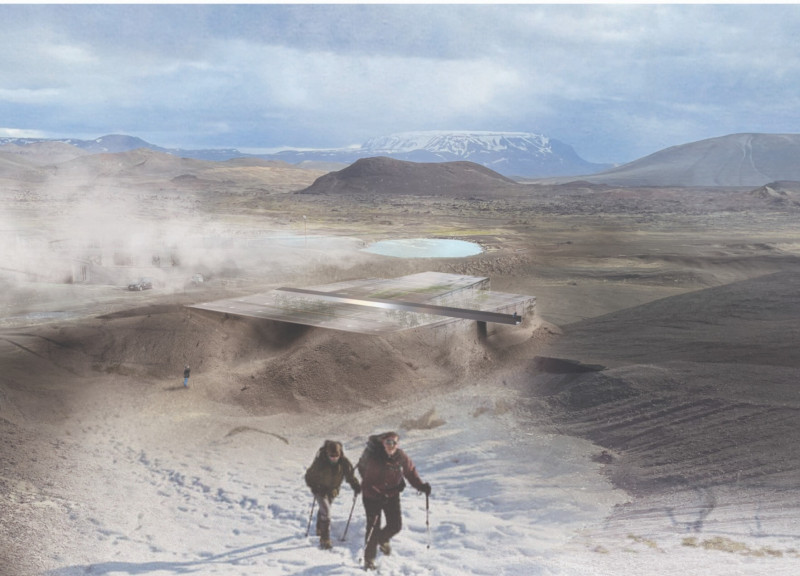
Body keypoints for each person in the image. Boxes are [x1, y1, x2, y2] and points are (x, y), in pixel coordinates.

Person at [357, 431, 431, 570]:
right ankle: (369, 560)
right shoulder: (375, 458)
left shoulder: (400, 456)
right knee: (373, 527)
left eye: (394, 442)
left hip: (391, 495)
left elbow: (410, 472)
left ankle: (382, 539)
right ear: (383, 443)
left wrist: (421, 486)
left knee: (395, 525)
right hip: (372, 496)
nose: (391, 445)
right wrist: (378, 493)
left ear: (398, 444)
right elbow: (367, 482)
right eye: (388, 442)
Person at [304, 440, 361, 549]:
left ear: (340, 454)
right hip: (320, 490)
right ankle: (325, 539)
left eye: (336, 456)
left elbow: (350, 476)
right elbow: (309, 476)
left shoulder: (344, 462)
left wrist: (356, 486)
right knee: (326, 511)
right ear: (327, 453)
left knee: (325, 509)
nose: (334, 458)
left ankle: (319, 527)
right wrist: (314, 487)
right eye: (331, 456)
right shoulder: (320, 461)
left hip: (332, 491)